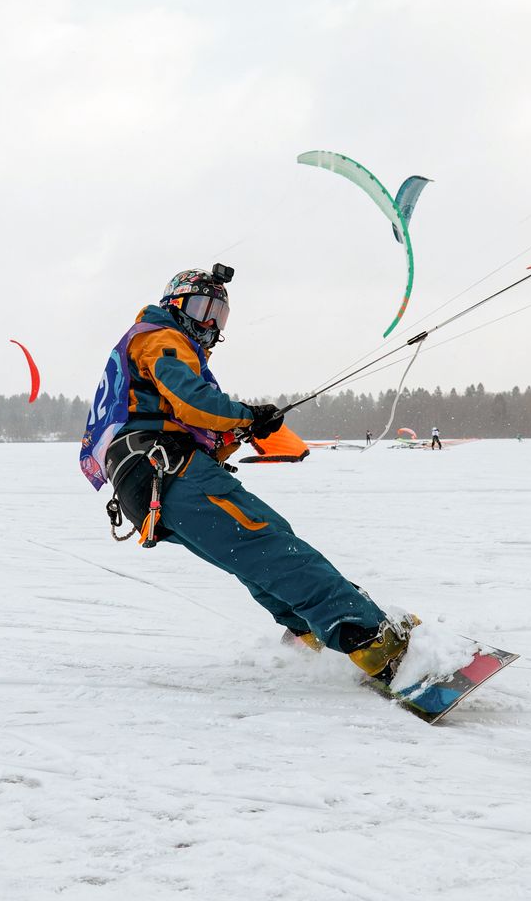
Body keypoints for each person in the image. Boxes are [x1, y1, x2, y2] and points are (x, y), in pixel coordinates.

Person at [79, 264, 415, 683]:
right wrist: (245, 414)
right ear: (174, 305)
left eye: (219, 315)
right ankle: (373, 640)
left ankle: (305, 632)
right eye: (201, 308)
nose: (209, 322)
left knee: (254, 547)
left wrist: (244, 428)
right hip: (165, 467)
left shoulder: (150, 344)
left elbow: (186, 419)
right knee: (267, 543)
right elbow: (192, 402)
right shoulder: (161, 336)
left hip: (145, 482)